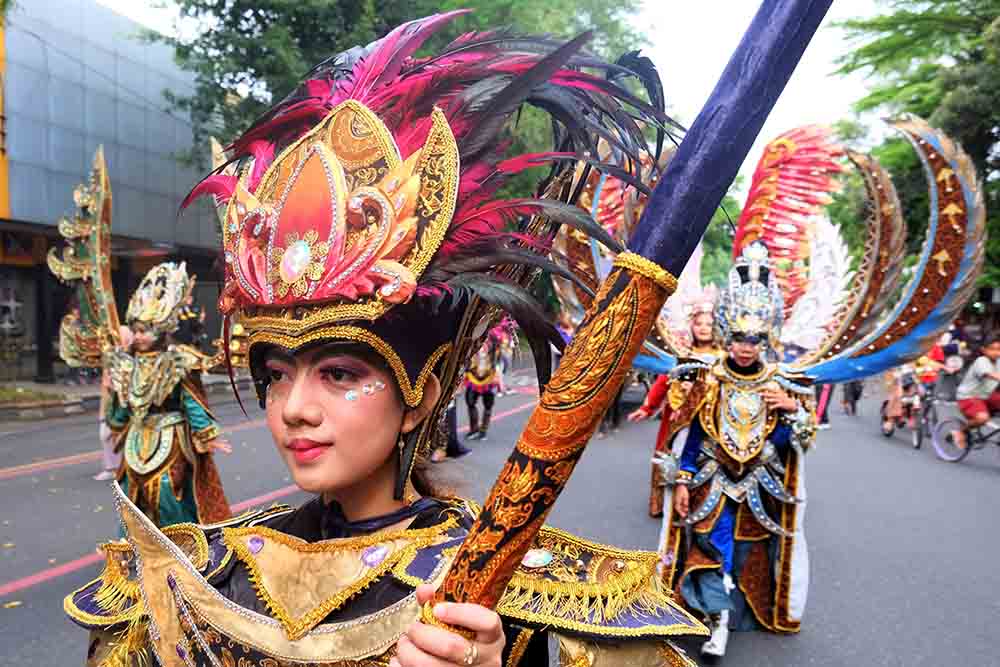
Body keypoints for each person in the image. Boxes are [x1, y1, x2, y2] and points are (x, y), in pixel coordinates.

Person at [64, 16, 706, 667]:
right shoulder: (205, 577)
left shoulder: (505, 600)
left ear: (420, 395)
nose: (294, 408)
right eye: (278, 373)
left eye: (339, 373)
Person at [658, 243, 816, 660]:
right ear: (728, 333)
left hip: (760, 486)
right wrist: (682, 481)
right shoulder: (708, 377)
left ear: (765, 338)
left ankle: (725, 617)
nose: (746, 346)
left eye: (755, 339)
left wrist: (791, 413)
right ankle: (716, 622)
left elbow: (795, 443)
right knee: (712, 546)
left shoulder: (781, 382)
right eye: (740, 337)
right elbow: (691, 437)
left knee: (743, 554)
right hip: (712, 480)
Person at [103, 262, 232, 527]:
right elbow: (121, 411)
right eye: (135, 329)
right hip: (137, 436)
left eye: (145, 330)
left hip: (170, 435)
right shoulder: (126, 363)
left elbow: (191, 401)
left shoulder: (177, 361)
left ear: (161, 329)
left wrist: (206, 433)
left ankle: (181, 542)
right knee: (130, 492)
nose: (138, 336)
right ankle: (131, 545)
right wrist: (115, 404)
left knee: (166, 491)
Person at [629, 299, 719, 517]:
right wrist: (648, 407)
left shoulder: (724, 358)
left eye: (709, 324)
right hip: (675, 416)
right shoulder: (681, 354)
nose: (704, 328)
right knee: (666, 455)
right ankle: (659, 502)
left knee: (704, 458)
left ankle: (699, 501)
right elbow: (663, 380)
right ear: (692, 327)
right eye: (699, 324)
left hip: (709, 418)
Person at [955, 334, 1000, 441]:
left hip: (987, 395)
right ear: (983, 350)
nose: (996, 352)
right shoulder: (981, 361)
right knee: (982, 418)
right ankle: (961, 431)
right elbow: (989, 374)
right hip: (969, 397)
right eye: (992, 349)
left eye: (999, 349)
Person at [464, 336, 501, 441]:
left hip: (488, 379)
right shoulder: (473, 341)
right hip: (473, 378)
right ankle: (474, 430)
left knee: (488, 406)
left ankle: (483, 431)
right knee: (470, 403)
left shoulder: (494, 342)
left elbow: (497, 360)